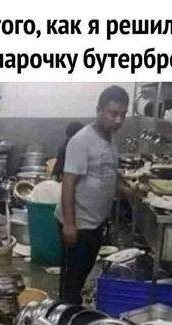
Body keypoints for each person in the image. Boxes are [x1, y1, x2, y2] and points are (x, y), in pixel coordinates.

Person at [55, 85, 133, 304]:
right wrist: (69, 224)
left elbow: (109, 173)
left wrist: (129, 191)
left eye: (123, 115)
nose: (118, 120)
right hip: (78, 224)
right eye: (113, 113)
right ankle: (65, 317)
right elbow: (68, 183)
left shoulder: (110, 138)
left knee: (81, 276)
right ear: (99, 110)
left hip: (95, 223)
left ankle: (74, 310)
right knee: (70, 284)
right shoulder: (82, 140)